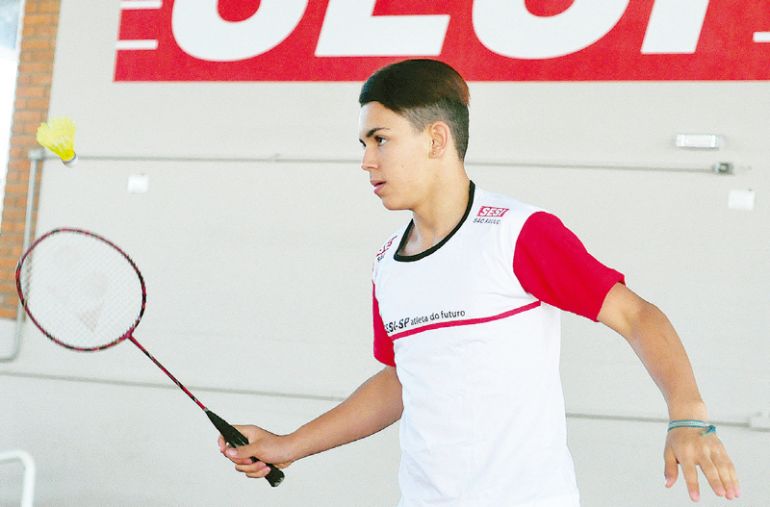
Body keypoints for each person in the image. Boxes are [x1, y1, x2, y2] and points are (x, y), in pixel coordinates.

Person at [219, 59, 740, 506]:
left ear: (437, 139)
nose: (366, 161)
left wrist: (688, 416)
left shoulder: (518, 234)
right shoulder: (386, 264)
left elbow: (637, 316)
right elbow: (402, 379)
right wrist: (289, 445)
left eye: (381, 139)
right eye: (363, 143)